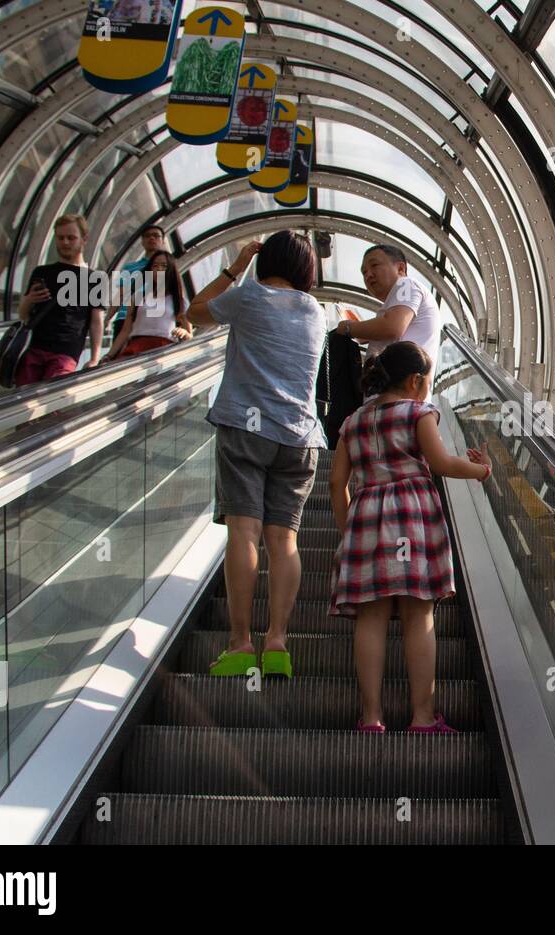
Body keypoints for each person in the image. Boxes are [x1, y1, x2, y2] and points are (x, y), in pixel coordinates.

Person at [184, 231, 329, 679]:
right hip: (301, 438)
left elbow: (193, 313)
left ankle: (241, 644)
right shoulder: (317, 312)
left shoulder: (248, 295)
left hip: (247, 429)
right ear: (308, 270)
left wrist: (236, 264)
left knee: (244, 535)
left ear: (266, 261)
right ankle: (279, 642)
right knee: (284, 540)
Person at [328, 341, 491, 733]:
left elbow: (336, 483)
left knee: (371, 617)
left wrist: (347, 529)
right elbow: (440, 463)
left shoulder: (352, 422)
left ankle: (371, 717)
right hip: (411, 514)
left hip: (366, 514)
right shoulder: (419, 413)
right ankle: (422, 716)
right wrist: (482, 471)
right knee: (419, 615)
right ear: (416, 380)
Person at [13, 214, 105, 386]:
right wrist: (28, 300)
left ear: (84, 239)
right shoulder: (41, 273)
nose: (65, 242)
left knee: (52, 403)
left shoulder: (95, 278)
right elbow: (23, 315)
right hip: (35, 348)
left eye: (71, 238)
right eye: (60, 237)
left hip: (66, 352)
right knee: (21, 400)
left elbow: (96, 321)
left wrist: (94, 358)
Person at [334, 244, 442, 388]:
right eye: (364, 272)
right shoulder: (396, 303)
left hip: (401, 399)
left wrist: (346, 327)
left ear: (401, 269)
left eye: (374, 265)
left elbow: (392, 327)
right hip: (394, 397)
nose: (368, 275)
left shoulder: (406, 284)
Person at [105, 250, 192, 360]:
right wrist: (109, 355)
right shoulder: (138, 297)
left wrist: (184, 332)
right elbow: (125, 331)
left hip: (164, 348)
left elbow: (190, 336)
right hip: (137, 346)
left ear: (171, 270)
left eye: (164, 266)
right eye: (155, 266)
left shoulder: (179, 301)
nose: (159, 269)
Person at [107, 224, 168, 343]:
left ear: (162, 241)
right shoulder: (129, 268)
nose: (151, 238)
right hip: (124, 318)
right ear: (142, 241)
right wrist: (107, 318)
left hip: (150, 319)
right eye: (147, 236)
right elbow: (120, 294)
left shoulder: (168, 267)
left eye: (156, 236)